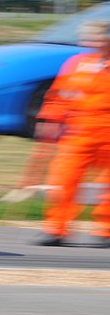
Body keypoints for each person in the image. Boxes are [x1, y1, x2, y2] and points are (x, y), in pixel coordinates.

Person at [35, 19, 110, 247]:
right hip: (78, 132)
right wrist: (50, 118)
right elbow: (59, 95)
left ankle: (106, 230)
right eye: (88, 37)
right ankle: (56, 229)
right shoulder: (77, 64)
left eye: (97, 36)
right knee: (63, 180)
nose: (91, 41)